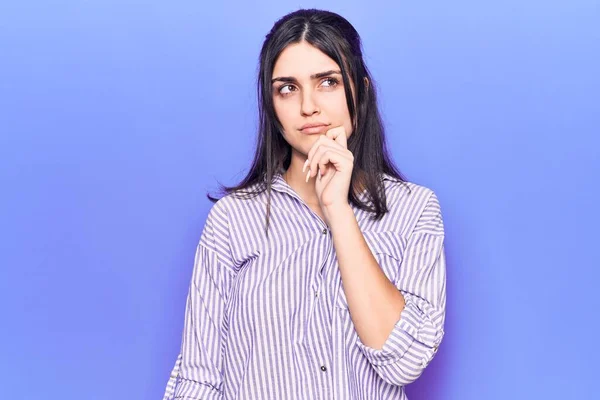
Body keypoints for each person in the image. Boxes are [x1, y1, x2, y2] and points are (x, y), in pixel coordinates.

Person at [163, 8, 446, 400]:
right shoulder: (232, 220)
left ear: (360, 90)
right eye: (288, 88)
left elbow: (404, 361)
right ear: (271, 103)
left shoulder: (413, 211)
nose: (308, 106)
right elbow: (199, 377)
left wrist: (339, 212)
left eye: (327, 82)